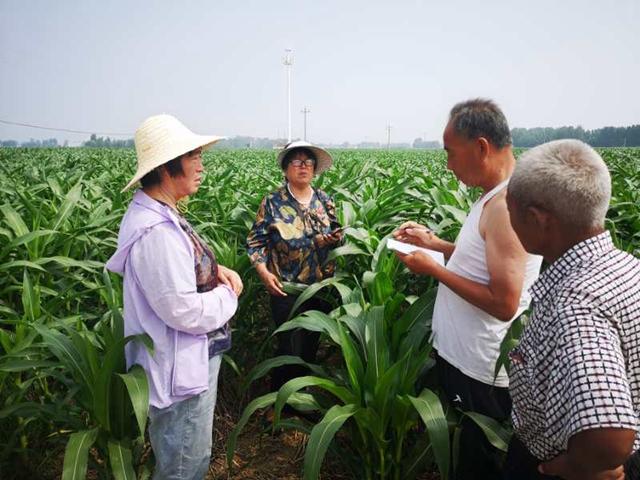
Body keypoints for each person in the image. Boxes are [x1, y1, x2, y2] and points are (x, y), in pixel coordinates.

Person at [393, 99, 543, 479]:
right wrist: (437, 245)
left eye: (450, 152)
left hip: (482, 369)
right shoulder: (496, 196)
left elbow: (504, 302)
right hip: (468, 360)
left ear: (480, 147)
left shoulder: (507, 206)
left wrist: (434, 270)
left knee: (481, 464)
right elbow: (487, 261)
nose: (447, 164)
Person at [106, 114, 243, 480]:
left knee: (187, 458)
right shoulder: (156, 234)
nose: (202, 166)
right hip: (179, 375)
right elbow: (183, 310)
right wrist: (228, 296)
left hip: (188, 362)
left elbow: (183, 271)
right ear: (167, 167)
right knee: (184, 465)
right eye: (194, 156)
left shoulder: (162, 213)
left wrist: (217, 272)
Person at [504, 139, 640, 480]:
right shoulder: (627, 266)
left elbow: (609, 440)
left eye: (510, 213)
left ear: (537, 219)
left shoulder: (575, 306)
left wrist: (570, 467)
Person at [246, 140, 342, 391]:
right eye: (297, 162)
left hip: (318, 286)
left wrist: (333, 238)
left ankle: (304, 394)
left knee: (311, 341)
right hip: (285, 288)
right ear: (286, 168)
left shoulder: (324, 199)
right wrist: (264, 274)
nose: (303, 166)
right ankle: (284, 397)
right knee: (288, 346)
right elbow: (255, 243)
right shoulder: (272, 202)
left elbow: (337, 233)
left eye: (308, 162)